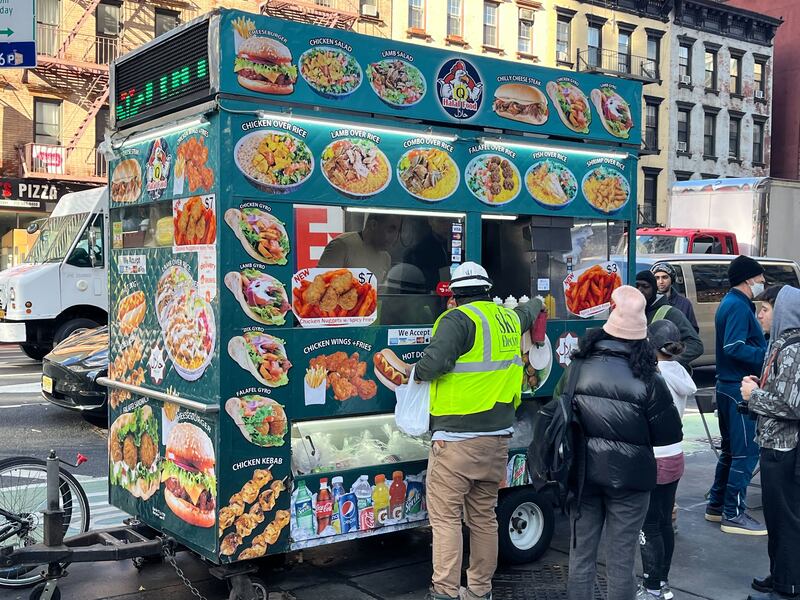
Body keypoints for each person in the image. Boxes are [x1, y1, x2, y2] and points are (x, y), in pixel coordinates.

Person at [414, 261, 544, 600]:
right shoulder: (507, 318)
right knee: (484, 517)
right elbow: (528, 311)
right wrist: (539, 302)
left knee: (446, 520)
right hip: (497, 438)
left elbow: (430, 366)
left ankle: (445, 592)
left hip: (456, 440)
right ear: (488, 291)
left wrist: (414, 372)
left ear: (454, 295)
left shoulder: (457, 320)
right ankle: (479, 591)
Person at [561, 285, 682, 600]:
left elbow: (561, 412)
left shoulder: (577, 367)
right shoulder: (650, 378)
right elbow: (670, 434)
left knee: (581, 558)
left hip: (582, 476)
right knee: (620, 562)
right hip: (631, 481)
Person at [740, 285, 800, 600]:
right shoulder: (781, 344)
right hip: (776, 444)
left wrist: (754, 395)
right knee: (776, 517)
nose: (759, 316)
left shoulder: (792, 348)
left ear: (784, 312)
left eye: (764, 309)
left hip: (784, 448)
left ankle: (787, 587)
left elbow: (792, 405)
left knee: (784, 519)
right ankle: (780, 576)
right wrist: (760, 387)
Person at [706, 255, 768, 535]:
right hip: (737, 389)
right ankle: (733, 513)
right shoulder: (738, 306)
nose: (763, 283)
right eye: (760, 279)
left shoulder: (733, 303)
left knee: (731, 452)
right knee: (745, 453)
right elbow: (734, 346)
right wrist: (767, 356)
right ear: (748, 279)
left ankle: (717, 505)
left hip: (728, 386)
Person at [638, 320, 697, 600]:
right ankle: (662, 582)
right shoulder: (680, 372)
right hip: (675, 456)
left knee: (648, 525)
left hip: (653, 457)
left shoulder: (652, 375)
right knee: (664, 522)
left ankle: (651, 587)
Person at [635, 270, 704, 370]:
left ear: (654, 289)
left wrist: (667, 361)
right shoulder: (632, 312)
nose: (640, 290)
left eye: (645, 286)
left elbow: (696, 345)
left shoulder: (671, 313)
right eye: (636, 286)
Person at [318, 213, 402, 283]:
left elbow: (379, 293)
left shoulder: (385, 258)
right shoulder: (341, 246)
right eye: (390, 230)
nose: (395, 238)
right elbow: (320, 285)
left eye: (397, 232)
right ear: (373, 225)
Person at [403, 217, 453, 292]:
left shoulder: (453, 245)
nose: (447, 226)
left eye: (449, 221)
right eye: (442, 221)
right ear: (431, 221)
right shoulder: (419, 251)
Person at [651, 262, 699, 333]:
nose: (661, 281)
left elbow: (693, 331)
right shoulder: (648, 302)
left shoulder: (684, 303)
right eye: (657, 278)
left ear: (672, 279)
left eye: (665, 277)